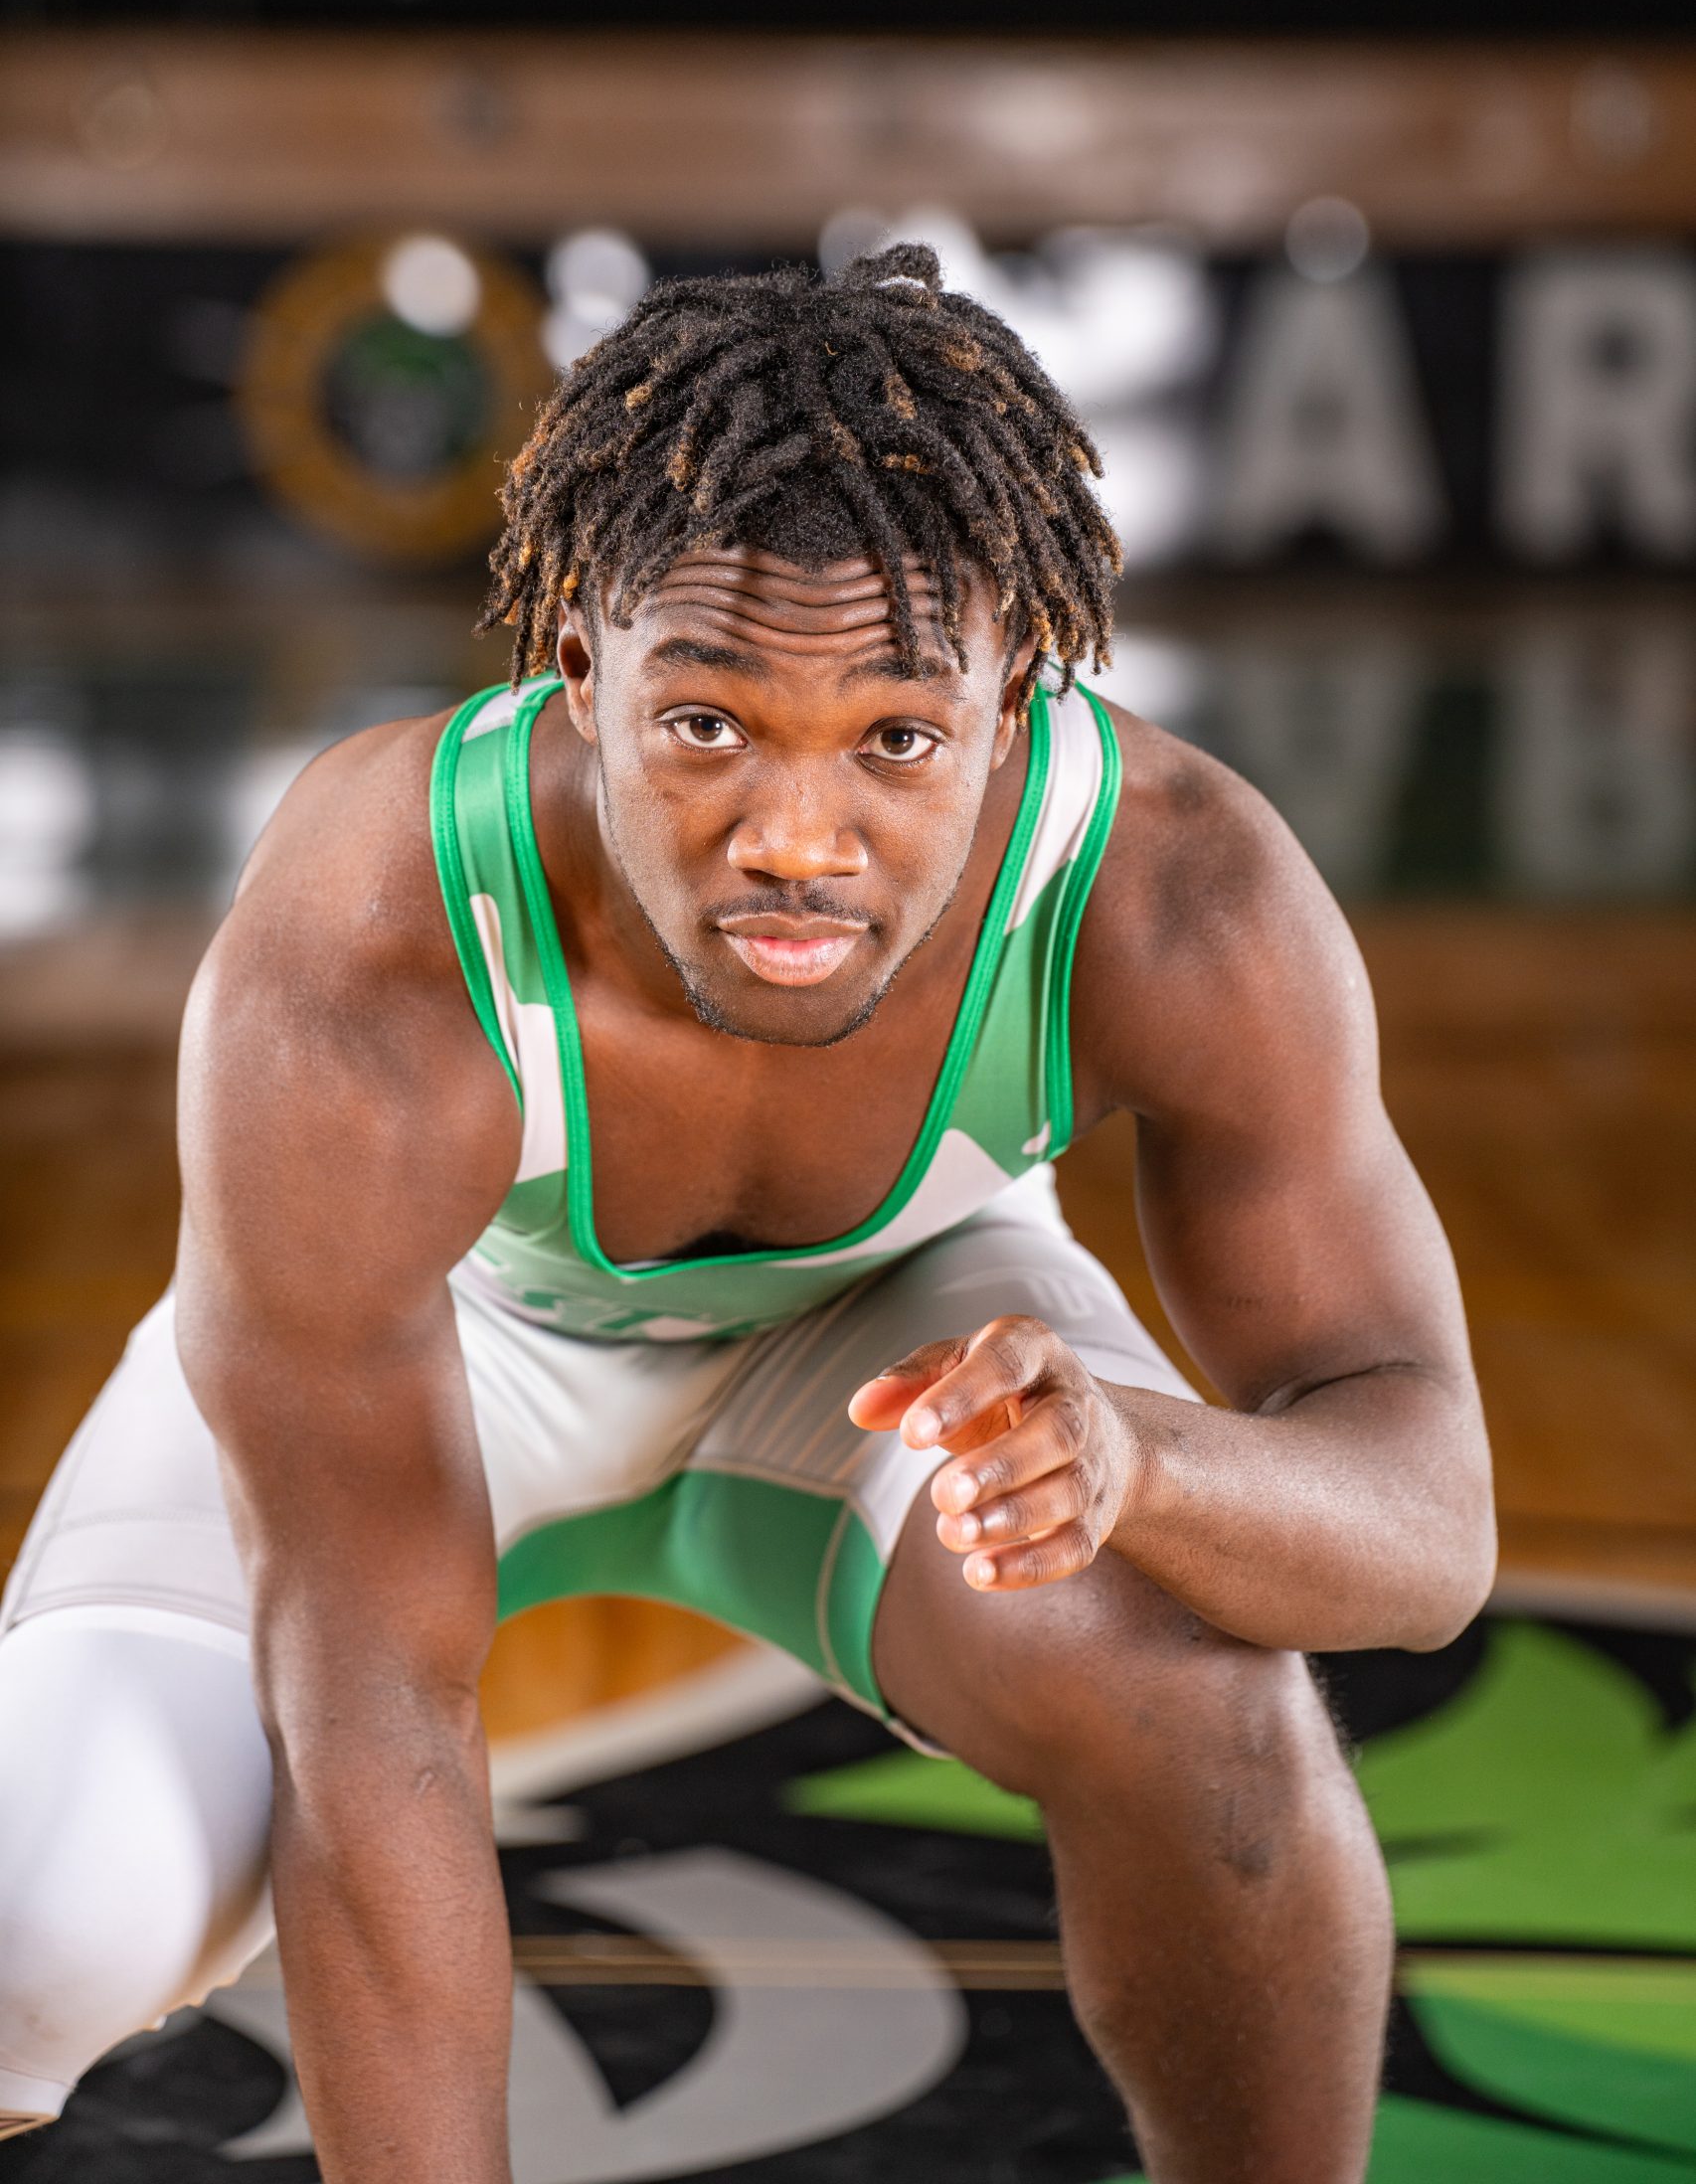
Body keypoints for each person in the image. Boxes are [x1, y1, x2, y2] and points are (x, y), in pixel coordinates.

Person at [0, 245, 1493, 2183]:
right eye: (705, 723)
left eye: (894, 737)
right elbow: (370, 1715)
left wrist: (1146, 1466)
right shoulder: (373, 941)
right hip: (449, 1327)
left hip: (897, 1319)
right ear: (579, 667)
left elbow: (1428, 1530)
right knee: (37, 1927)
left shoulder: (1172, 890)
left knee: (1205, 1705)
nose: (795, 839)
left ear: (1016, 700)